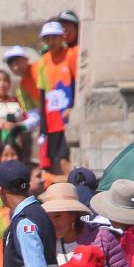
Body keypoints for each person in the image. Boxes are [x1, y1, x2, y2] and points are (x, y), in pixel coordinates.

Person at [36, 21, 78, 175]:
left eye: (55, 37)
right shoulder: (43, 61)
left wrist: (73, 106)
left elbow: (78, 82)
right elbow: (42, 94)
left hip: (67, 116)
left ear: (62, 37)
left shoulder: (71, 54)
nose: (51, 41)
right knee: (56, 160)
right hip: (52, 119)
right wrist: (43, 126)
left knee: (65, 158)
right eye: (48, 38)